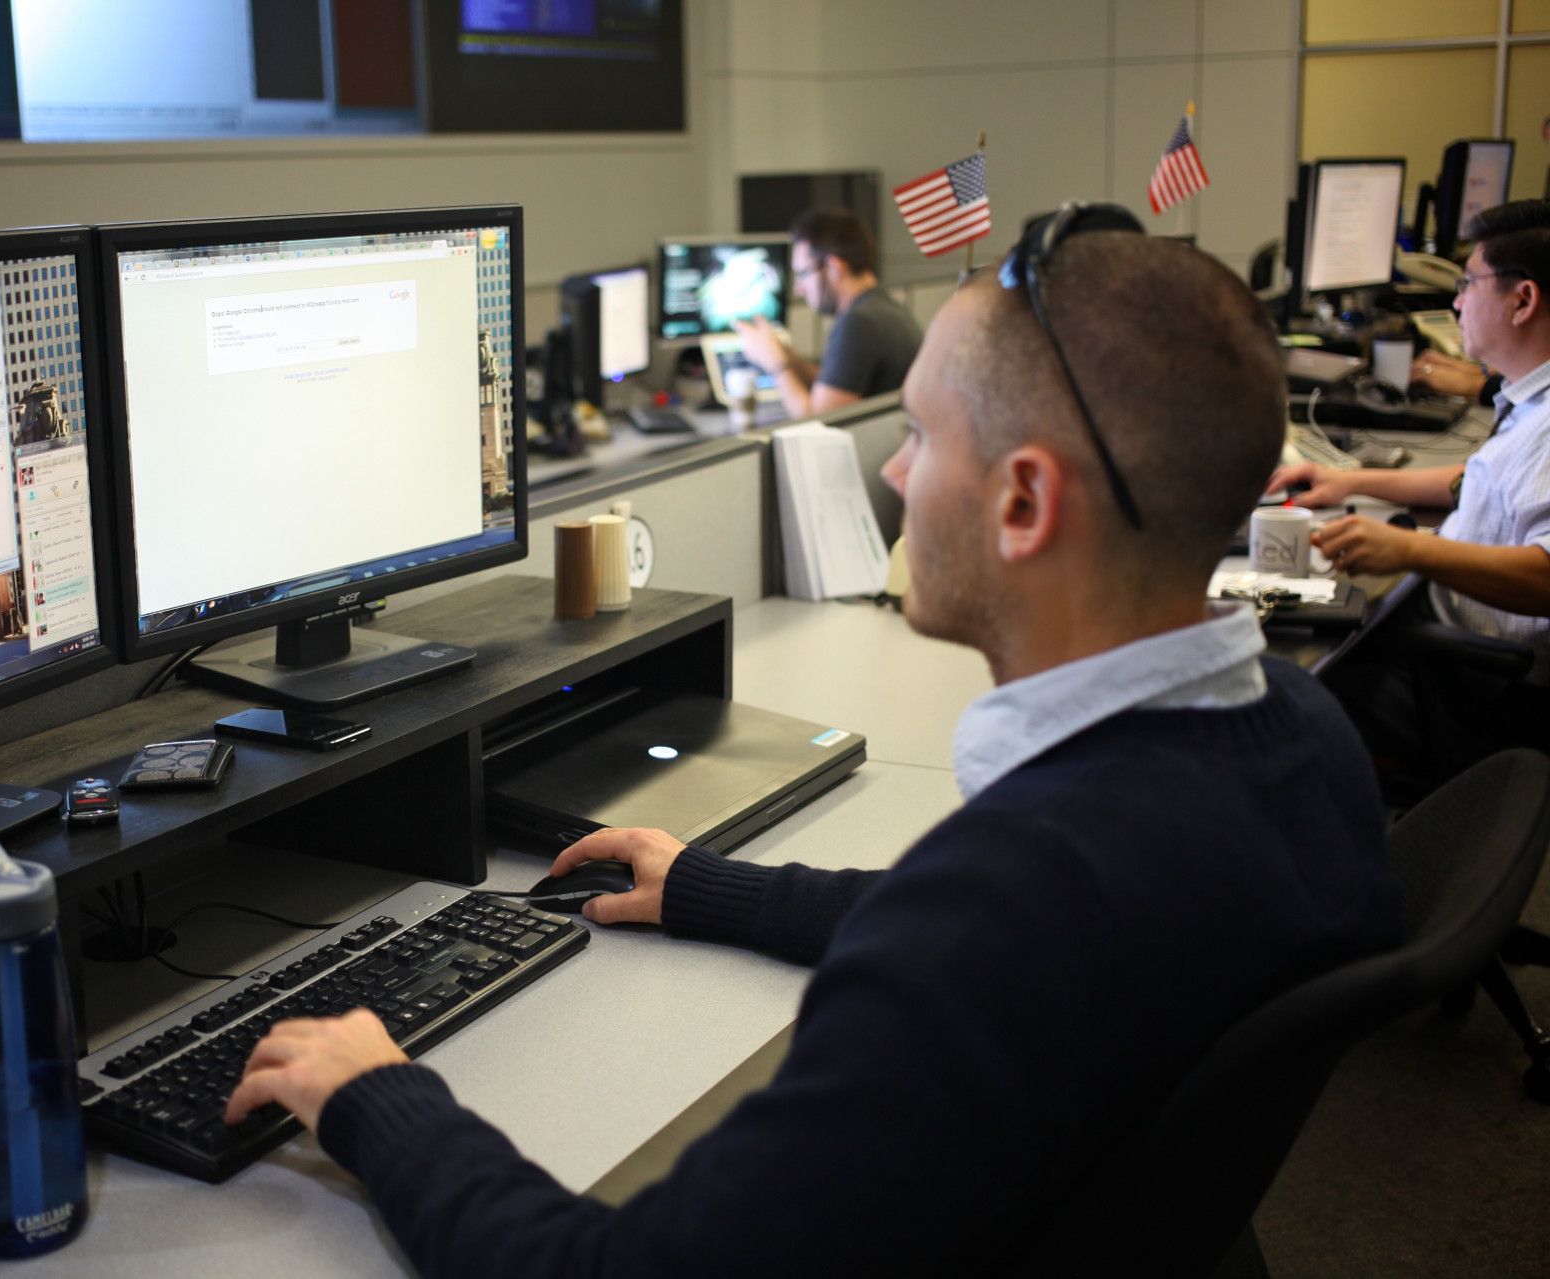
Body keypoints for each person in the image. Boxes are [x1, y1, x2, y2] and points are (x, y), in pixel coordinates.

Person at [223, 215, 1400, 1276]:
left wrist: (381, 1099)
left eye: (921, 435)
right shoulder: (1297, 733)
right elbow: (969, 920)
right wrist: (711, 888)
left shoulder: (1014, 911)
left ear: (1025, 503)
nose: (891, 469)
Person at [1268, 199, 1550, 670]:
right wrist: (1352, 481)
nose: (1457, 302)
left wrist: (1409, 549)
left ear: (1522, 301)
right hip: (1443, 634)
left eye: (1468, 284)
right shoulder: (1531, 403)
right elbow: (1480, 480)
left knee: (1278, 668)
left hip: (1470, 675)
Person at [733, 208, 920, 420]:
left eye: (803, 274)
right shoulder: (884, 310)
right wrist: (787, 356)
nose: (798, 289)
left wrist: (775, 363)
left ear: (834, 267)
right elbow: (837, 384)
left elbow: (818, 421)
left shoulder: (859, 324)